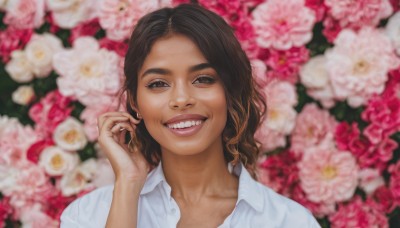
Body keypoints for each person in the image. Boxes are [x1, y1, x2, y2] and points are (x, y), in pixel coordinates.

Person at [60, 3, 320, 228]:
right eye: (158, 83)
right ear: (135, 101)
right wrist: (128, 184)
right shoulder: (88, 216)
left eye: (203, 79)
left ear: (230, 91)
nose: (181, 99)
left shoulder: (289, 221)